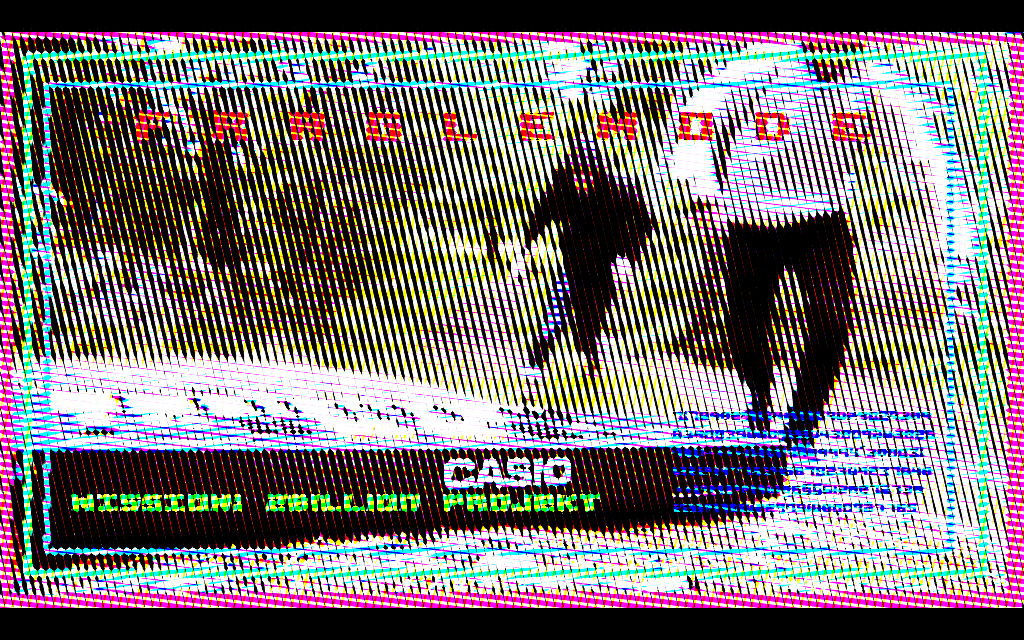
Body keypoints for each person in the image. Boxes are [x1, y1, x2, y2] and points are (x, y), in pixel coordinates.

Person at [522, 151, 655, 374]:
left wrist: (629, 254)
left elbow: (642, 220)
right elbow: (542, 213)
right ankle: (537, 360)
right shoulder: (564, 190)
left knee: (591, 317)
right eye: (578, 175)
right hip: (571, 265)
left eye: (587, 175)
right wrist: (530, 241)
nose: (582, 180)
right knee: (555, 311)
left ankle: (589, 355)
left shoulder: (613, 194)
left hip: (600, 268)